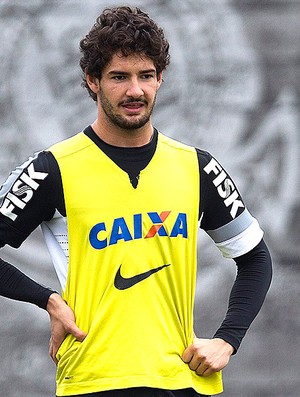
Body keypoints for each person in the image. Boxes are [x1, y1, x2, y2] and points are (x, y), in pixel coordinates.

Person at [0, 6, 272, 397]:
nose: (135, 91)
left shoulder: (197, 167)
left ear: (160, 79)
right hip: (92, 383)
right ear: (92, 81)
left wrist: (227, 339)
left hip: (181, 381)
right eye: (118, 77)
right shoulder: (52, 169)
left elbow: (256, 258)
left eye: (146, 76)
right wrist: (48, 300)